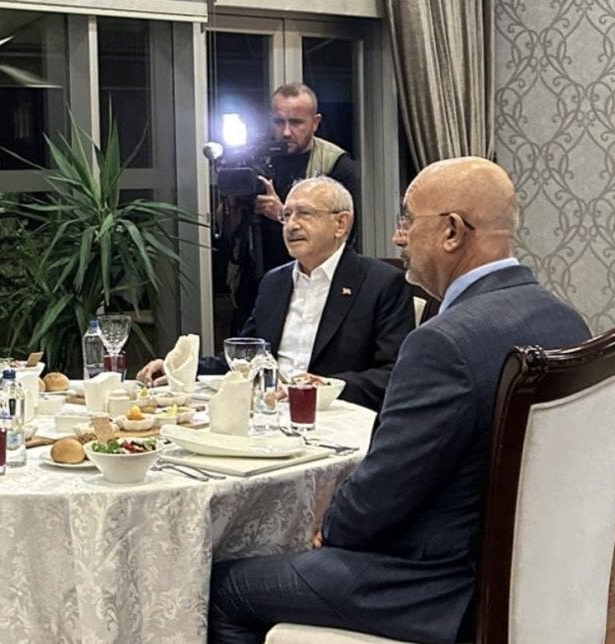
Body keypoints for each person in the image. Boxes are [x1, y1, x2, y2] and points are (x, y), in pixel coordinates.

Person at [207, 157, 591, 643]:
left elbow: (378, 499)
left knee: (225, 587)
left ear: (451, 232)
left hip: (434, 585)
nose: (398, 238)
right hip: (535, 572)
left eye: (407, 220)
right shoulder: (566, 321)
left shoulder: (443, 344)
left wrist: (331, 526)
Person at [139, 176, 411, 411]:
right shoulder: (274, 282)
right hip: (266, 412)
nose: (291, 225)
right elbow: (246, 355)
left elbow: (395, 374)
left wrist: (326, 387)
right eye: (286, 215)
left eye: (304, 214)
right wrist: (181, 369)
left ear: (341, 223)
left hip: (332, 416)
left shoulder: (380, 283)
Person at [224, 82, 362, 333]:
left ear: (315, 122)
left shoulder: (334, 163)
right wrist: (233, 204)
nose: (286, 132)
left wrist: (282, 214)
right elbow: (227, 232)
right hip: (252, 276)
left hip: (310, 281)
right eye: (279, 122)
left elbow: (345, 234)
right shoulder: (253, 156)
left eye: (296, 122)